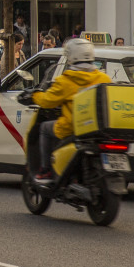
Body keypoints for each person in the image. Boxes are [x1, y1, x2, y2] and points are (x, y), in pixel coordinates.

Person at [29, 38, 112, 184]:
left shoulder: (66, 80)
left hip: (71, 127)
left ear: (71, 56)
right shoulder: (103, 78)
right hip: (98, 128)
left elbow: (47, 101)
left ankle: (46, 170)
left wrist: (34, 95)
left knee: (44, 128)